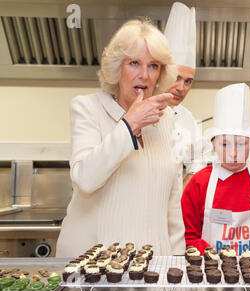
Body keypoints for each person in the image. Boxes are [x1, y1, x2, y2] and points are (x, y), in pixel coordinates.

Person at [56, 19, 186, 257]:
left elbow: (172, 200)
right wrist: (130, 124)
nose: (144, 75)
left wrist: (176, 261)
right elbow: (85, 179)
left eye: (153, 66)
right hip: (93, 264)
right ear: (118, 68)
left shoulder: (166, 118)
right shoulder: (87, 108)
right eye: (134, 63)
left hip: (151, 265)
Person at [181, 83, 250, 255]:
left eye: (242, 144)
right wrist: (214, 258)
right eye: (225, 144)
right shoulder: (199, 182)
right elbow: (187, 236)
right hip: (211, 273)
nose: (233, 153)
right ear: (213, 145)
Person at [164, 2, 206, 189]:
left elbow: (198, 160)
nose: (181, 87)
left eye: (188, 81)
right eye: (176, 77)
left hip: (171, 208)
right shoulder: (138, 109)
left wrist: (183, 192)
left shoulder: (185, 117)